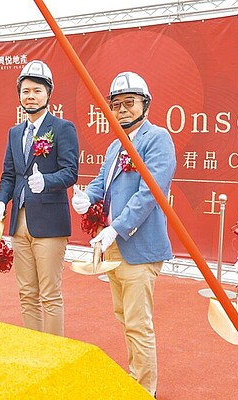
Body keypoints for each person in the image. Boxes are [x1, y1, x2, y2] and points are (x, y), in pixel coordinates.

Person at [71, 71, 176, 397]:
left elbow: (150, 193)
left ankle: (144, 390)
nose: (122, 110)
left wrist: (115, 228)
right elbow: (103, 182)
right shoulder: (116, 144)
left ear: (145, 104)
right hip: (113, 245)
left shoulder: (157, 139)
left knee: (138, 323)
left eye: (129, 103)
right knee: (125, 317)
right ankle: (137, 380)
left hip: (139, 246)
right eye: (116, 105)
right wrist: (87, 196)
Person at [0, 60, 79, 335]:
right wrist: (1, 201)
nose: (31, 96)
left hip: (50, 222)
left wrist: (47, 181)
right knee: (27, 293)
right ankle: (35, 350)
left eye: (37, 90)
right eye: (26, 90)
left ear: (48, 93)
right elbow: (8, 175)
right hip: (19, 222)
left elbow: (71, 172)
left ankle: (53, 355)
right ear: (19, 95)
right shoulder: (15, 133)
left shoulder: (63, 128)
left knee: (50, 294)